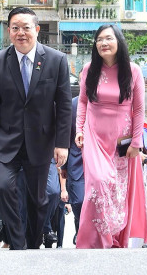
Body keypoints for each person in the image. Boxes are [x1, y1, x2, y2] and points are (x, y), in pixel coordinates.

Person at [0, 7, 72, 250]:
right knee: (3, 187)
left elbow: (64, 107)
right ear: (9, 31)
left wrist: (62, 144)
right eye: (15, 28)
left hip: (41, 143)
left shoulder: (56, 60)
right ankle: (18, 243)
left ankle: (32, 244)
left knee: (40, 199)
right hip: (6, 141)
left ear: (37, 30)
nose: (21, 33)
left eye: (26, 27)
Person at [75, 24, 147, 249]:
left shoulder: (133, 70)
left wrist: (136, 142)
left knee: (118, 189)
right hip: (94, 135)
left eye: (108, 39)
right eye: (99, 40)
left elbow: (139, 109)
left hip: (121, 139)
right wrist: (78, 129)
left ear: (119, 42)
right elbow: (83, 101)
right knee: (98, 183)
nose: (103, 43)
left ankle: (116, 239)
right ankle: (96, 239)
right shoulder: (89, 69)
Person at [64, 96, 85, 245]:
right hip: (77, 159)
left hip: (100, 157)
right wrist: (64, 166)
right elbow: (66, 135)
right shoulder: (72, 104)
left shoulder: (103, 100)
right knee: (78, 200)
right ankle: (81, 228)